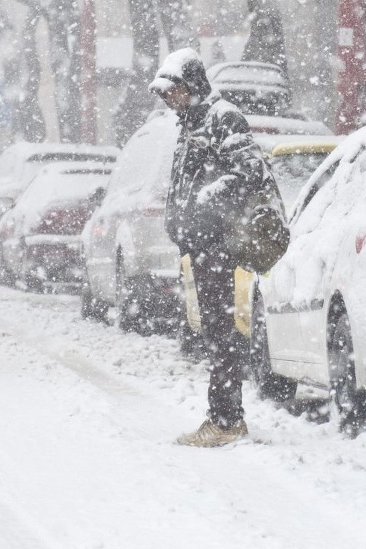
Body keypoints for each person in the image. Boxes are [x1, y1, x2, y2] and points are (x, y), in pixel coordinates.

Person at [149, 48, 271, 447]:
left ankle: (225, 420)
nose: (168, 100)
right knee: (214, 332)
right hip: (200, 245)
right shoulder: (192, 122)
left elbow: (249, 168)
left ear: (192, 86)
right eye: (165, 94)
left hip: (218, 244)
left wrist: (207, 199)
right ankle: (225, 417)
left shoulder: (223, 117)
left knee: (222, 333)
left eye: (173, 91)